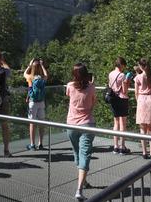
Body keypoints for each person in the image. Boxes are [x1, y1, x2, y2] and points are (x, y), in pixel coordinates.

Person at [66, 63, 96, 201]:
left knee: (78, 153)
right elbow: (93, 103)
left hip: (71, 124)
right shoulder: (91, 87)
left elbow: (70, 98)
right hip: (87, 124)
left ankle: (81, 183)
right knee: (84, 154)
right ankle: (80, 188)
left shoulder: (70, 86)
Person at [134, 58, 151, 159]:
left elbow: (136, 93)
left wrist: (139, 102)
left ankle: (144, 152)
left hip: (141, 100)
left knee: (142, 128)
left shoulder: (138, 78)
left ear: (141, 66)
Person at [24, 58, 49, 150]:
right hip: (41, 102)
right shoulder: (42, 78)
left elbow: (24, 74)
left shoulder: (30, 77)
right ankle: (41, 143)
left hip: (33, 102)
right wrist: (42, 65)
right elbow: (46, 74)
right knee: (41, 123)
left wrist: (30, 65)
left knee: (32, 123)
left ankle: (32, 144)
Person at [108, 57, 130, 155]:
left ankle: (115, 146)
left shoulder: (111, 74)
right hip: (122, 99)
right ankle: (122, 146)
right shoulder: (122, 75)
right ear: (122, 65)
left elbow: (110, 86)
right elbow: (125, 91)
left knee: (116, 122)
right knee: (123, 123)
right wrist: (128, 82)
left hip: (113, 99)